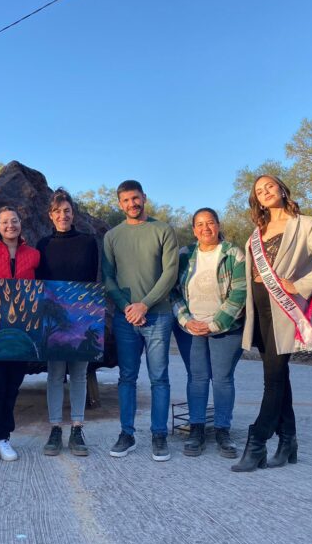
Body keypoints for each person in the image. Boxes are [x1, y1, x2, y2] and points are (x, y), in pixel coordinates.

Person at [231, 174, 312, 472]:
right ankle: (288, 441)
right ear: (256, 199)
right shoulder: (256, 233)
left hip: (284, 309)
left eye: (269, 186)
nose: (265, 192)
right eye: (259, 190)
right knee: (279, 376)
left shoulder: (306, 224)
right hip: (259, 308)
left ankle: (257, 440)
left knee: (274, 378)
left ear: (282, 189)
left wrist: (299, 285)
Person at [102, 180, 179, 461]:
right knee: (127, 378)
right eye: (125, 200)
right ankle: (127, 434)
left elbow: (170, 274)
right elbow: (108, 278)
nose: (132, 204)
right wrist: (127, 308)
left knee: (159, 377)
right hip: (126, 319)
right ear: (120, 204)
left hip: (158, 316)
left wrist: (144, 304)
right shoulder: (112, 236)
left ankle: (159, 435)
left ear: (144, 197)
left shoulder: (163, 230)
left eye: (135, 198)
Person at [172, 208, 246, 458]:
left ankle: (223, 430)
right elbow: (174, 292)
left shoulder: (233, 254)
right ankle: (197, 429)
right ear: (194, 229)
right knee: (197, 378)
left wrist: (213, 324)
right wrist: (187, 320)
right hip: (190, 329)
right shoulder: (185, 255)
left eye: (210, 223)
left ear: (218, 225)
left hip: (225, 328)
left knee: (223, 379)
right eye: (200, 224)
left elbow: (239, 294)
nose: (205, 228)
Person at [36, 188, 99, 457]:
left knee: (79, 375)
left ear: (73, 214)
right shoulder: (43, 245)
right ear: (50, 215)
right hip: (53, 319)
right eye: (57, 211)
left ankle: (76, 427)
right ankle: (54, 428)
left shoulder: (88, 242)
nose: (63, 215)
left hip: (83, 318)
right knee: (54, 375)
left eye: (67, 211)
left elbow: (93, 281)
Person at [0, 206, 40, 465]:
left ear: (20, 224)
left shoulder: (35, 255)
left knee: (12, 386)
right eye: (5, 222)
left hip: (22, 332)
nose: (10, 225)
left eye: (14, 220)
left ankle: (4, 436)